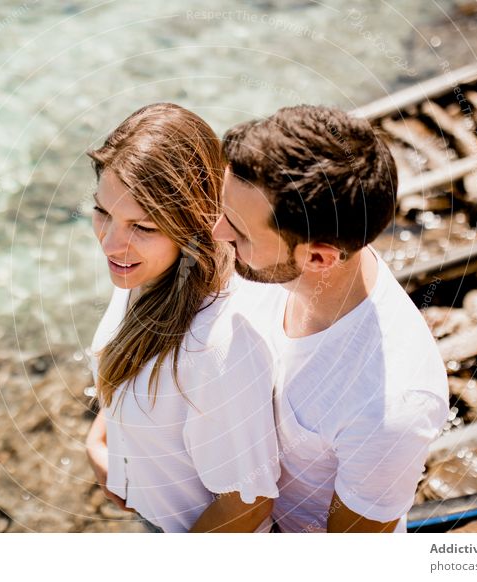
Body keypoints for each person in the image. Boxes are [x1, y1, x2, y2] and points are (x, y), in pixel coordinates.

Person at [212, 105, 449, 533]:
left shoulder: (391, 407)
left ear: (318, 258)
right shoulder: (272, 258)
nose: (217, 233)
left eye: (239, 231)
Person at [83, 103, 280, 533]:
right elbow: (137, 361)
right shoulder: (151, 274)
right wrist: (101, 439)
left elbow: (247, 504)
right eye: (103, 212)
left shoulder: (215, 350)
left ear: (192, 224)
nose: (111, 243)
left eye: (144, 226)